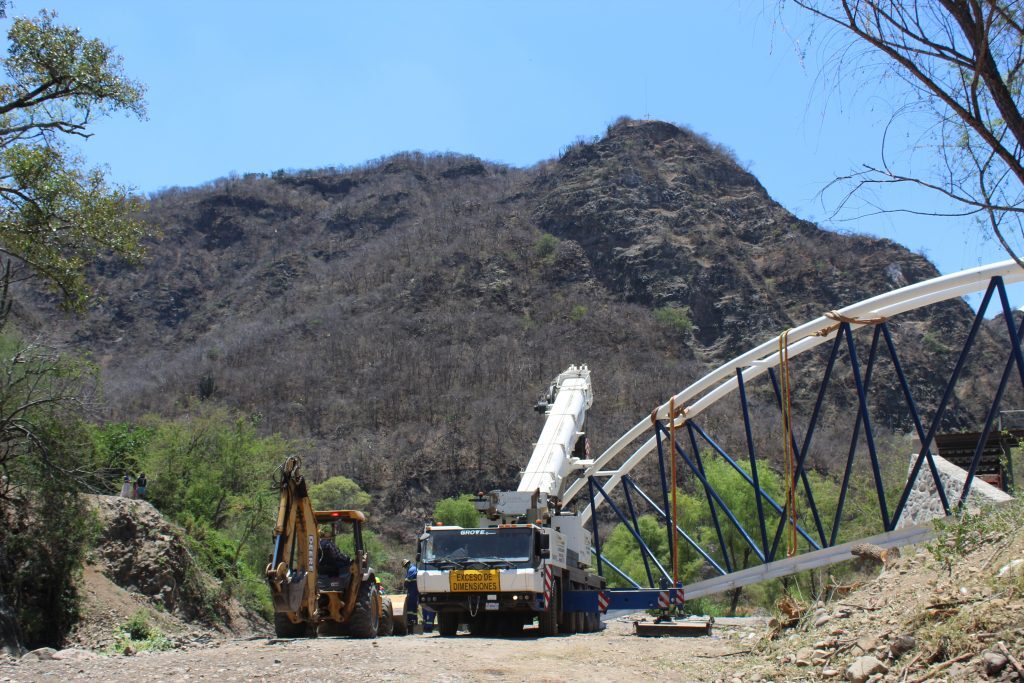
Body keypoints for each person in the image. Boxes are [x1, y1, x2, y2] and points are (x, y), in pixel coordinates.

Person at [402, 559, 419, 632]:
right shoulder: (414, 568)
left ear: (407, 564)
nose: (405, 568)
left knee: (410, 608)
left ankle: (411, 624)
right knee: (414, 609)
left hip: (413, 592)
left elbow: (407, 581)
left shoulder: (411, 570)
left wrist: (405, 587)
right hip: (415, 592)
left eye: (405, 566)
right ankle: (415, 623)